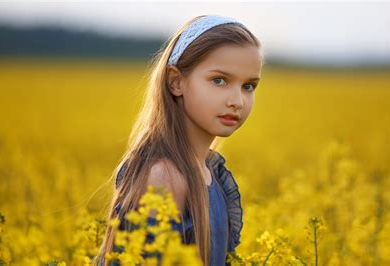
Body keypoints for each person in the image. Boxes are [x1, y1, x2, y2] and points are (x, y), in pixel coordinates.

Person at [94, 14, 264, 266]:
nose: (237, 101)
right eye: (219, 81)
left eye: (248, 86)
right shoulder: (165, 176)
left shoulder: (209, 173)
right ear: (176, 82)